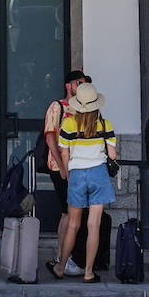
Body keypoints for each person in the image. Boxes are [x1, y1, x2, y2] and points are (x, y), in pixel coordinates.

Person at [50, 82, 117, 283]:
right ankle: (88, 272)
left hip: (77, 174)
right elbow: (112, 154)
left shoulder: (68, 125)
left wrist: (67, 174)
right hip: (99, 173)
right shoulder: (106, 125)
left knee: (73, 224)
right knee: (94, 225)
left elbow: (64, 152)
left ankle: (61, 267)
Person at [43, 69, 90, 277]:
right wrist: (62, 168)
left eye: (84, 83)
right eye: (78, 83)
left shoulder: (84, 109)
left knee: (70, 213)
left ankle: (63, 256)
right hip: (60, 167)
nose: (81, 86)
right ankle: (64, 258)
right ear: (68, 85)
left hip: (79, 166)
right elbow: (50, 137)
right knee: (68, 212)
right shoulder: (58, 106)